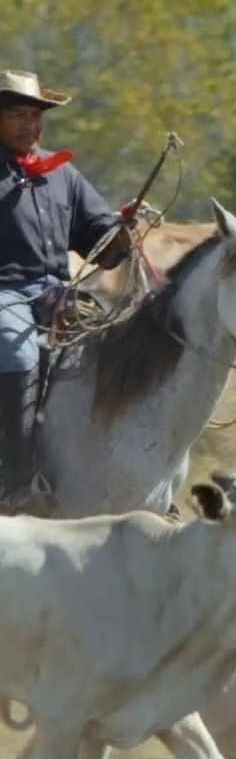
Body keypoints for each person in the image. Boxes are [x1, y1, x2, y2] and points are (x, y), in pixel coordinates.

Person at [0, 70, 137, 507]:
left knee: (116, 341)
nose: (31, 125)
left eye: (36, 116)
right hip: (4, 293)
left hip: (56, 292)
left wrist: (116, 232)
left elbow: (96, 233)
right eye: (19, 115)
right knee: (19, 352)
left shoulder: (63, 174)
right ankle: (18, 483)